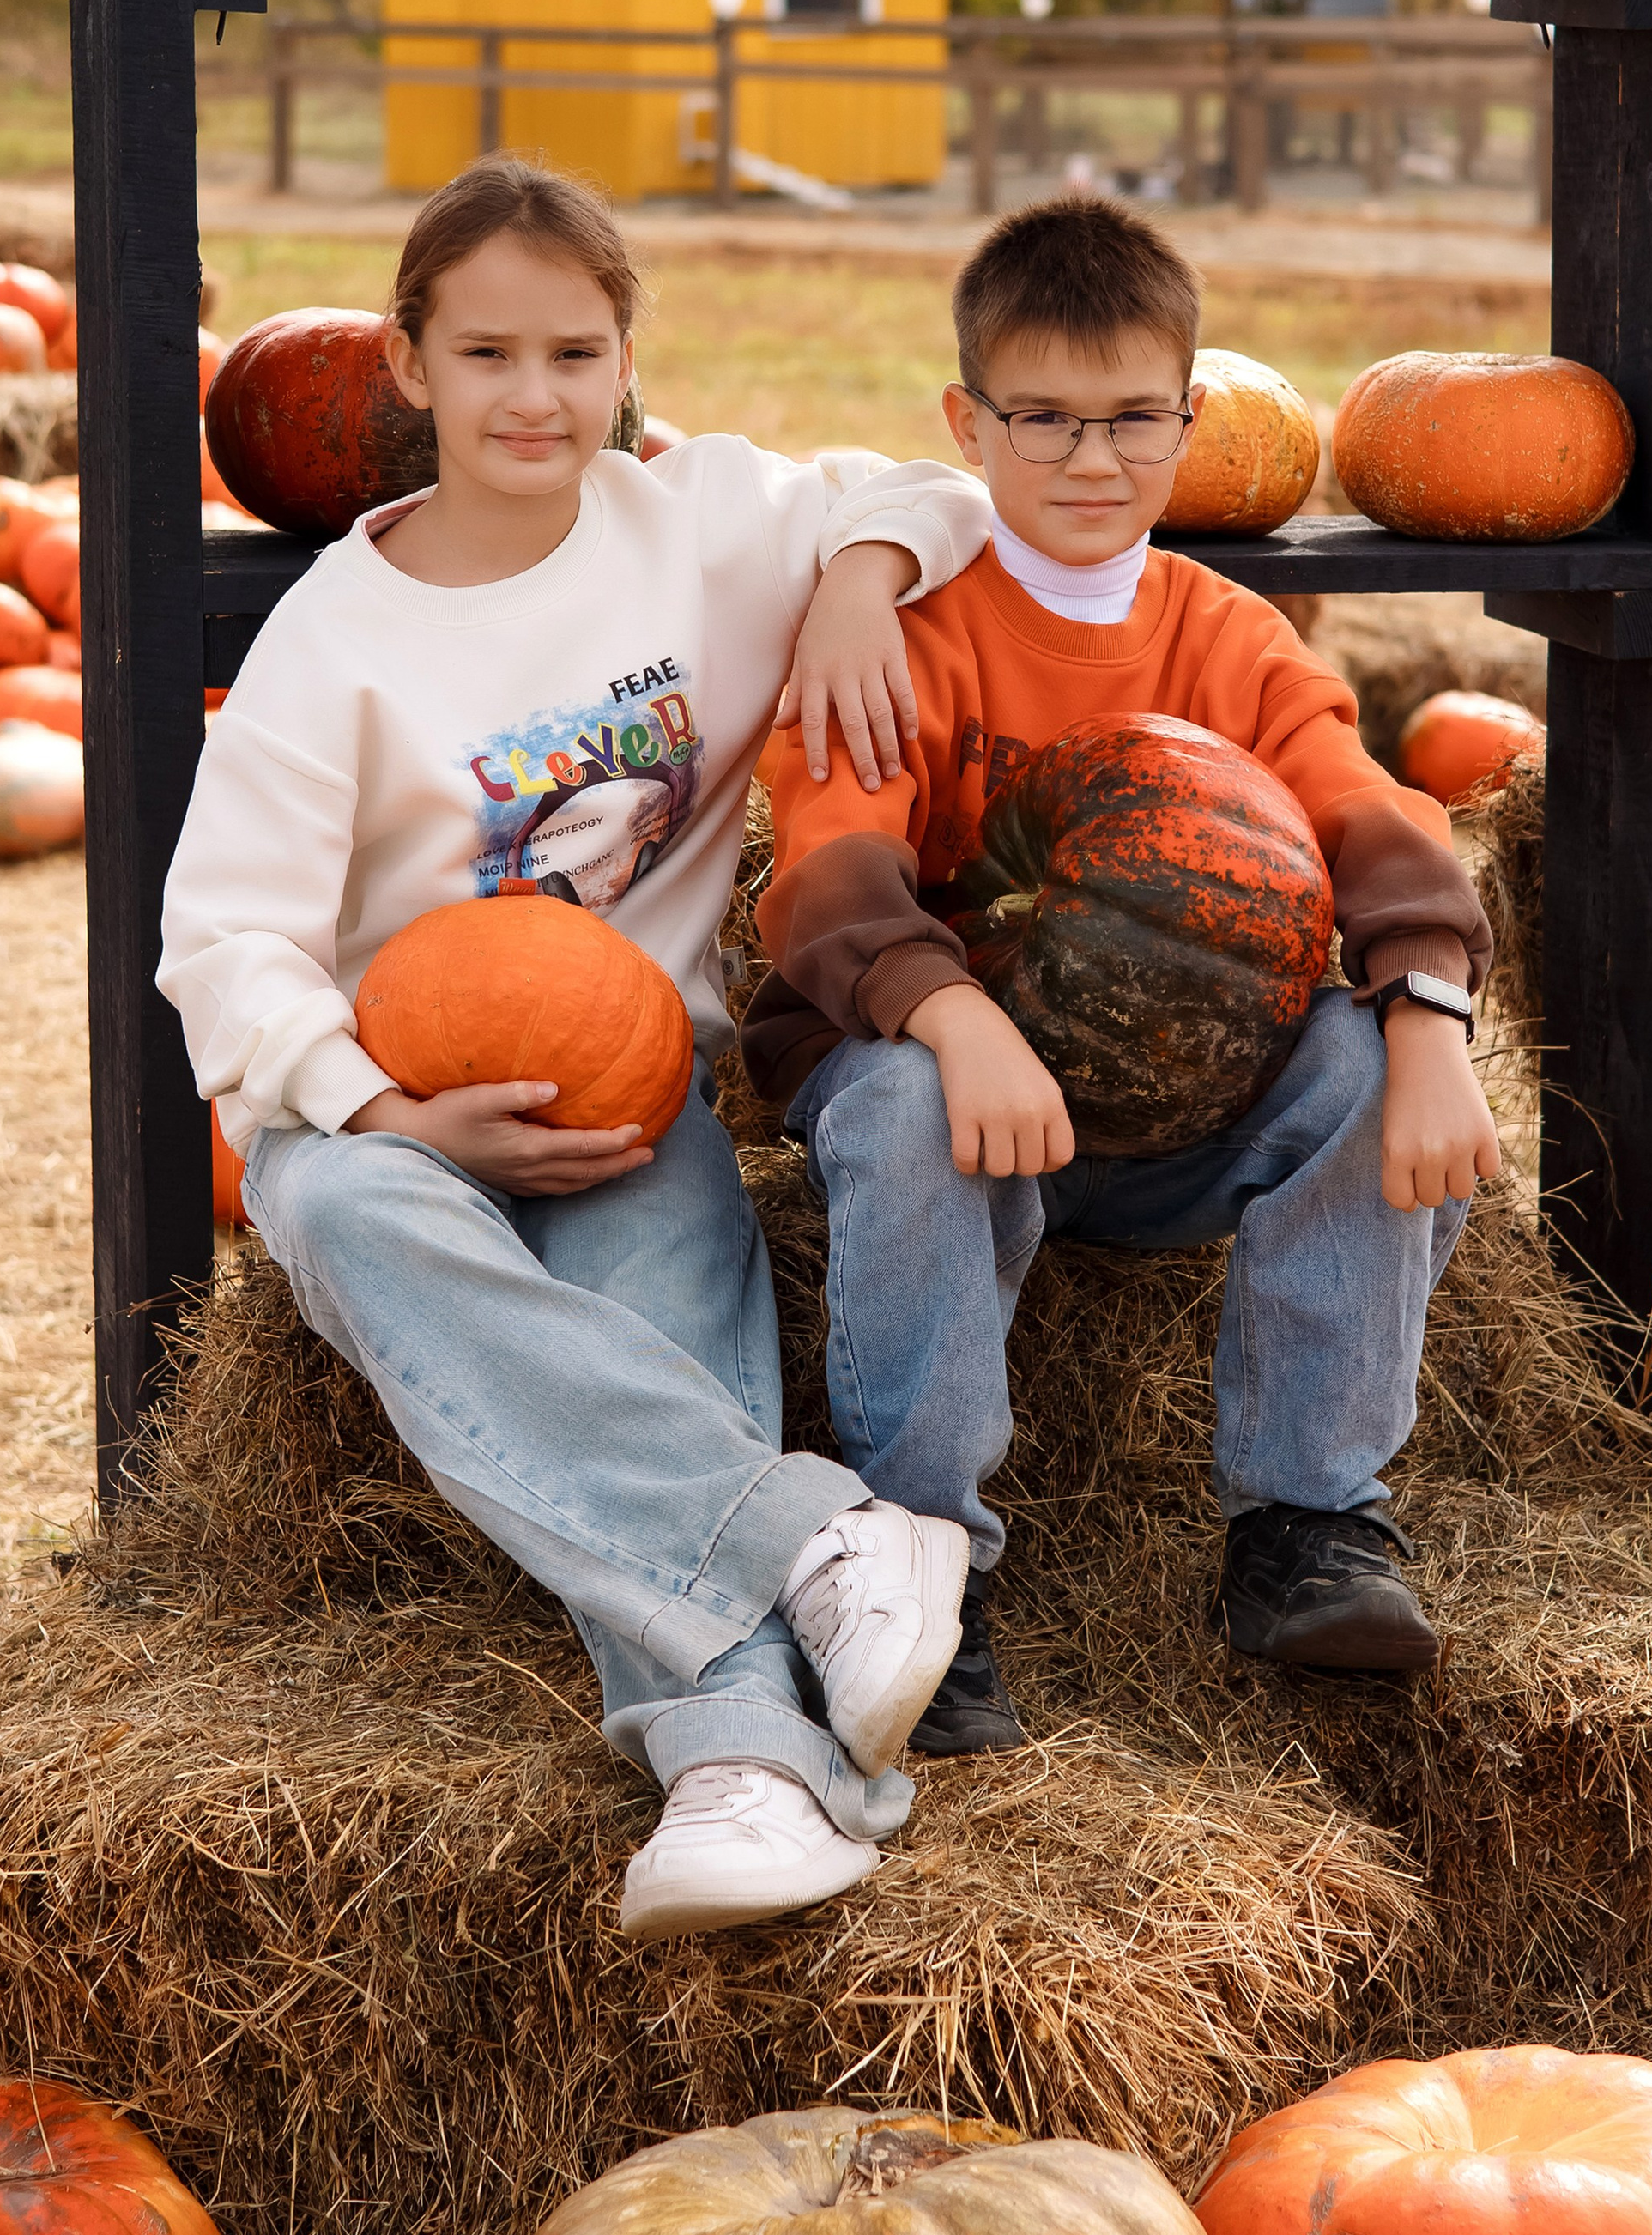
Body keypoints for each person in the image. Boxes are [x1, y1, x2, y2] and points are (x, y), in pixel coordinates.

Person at [159, 154, 992, 1937]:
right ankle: (821, 1551)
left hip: (627, 1080)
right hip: (390, 1089)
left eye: (571, 353)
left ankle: (740, 1772)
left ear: (625, 360)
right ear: (406, 365)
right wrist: (387, 1106)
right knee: (350, 1218)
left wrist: (854, 573)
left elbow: (935, 485)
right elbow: (223, 938)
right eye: (485, 356)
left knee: (659, 1285)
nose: (531, 397)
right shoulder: (340, 634)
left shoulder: (697, 522)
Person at [741, 196, 1500, 1754]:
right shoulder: (904, 637)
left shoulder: (1230, 641)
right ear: (968, 422)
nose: (1095, 461)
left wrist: (1428, 1009)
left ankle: (1308, 1527)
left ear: (1191, 417)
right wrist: (955, 1014)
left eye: (1134, 420)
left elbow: (1361, 808)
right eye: (1046, 421)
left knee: (1358, 1065)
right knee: (895, 1104)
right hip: (942, 1076)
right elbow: (824, 869)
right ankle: (918, 1571)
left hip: (1171, 1109)